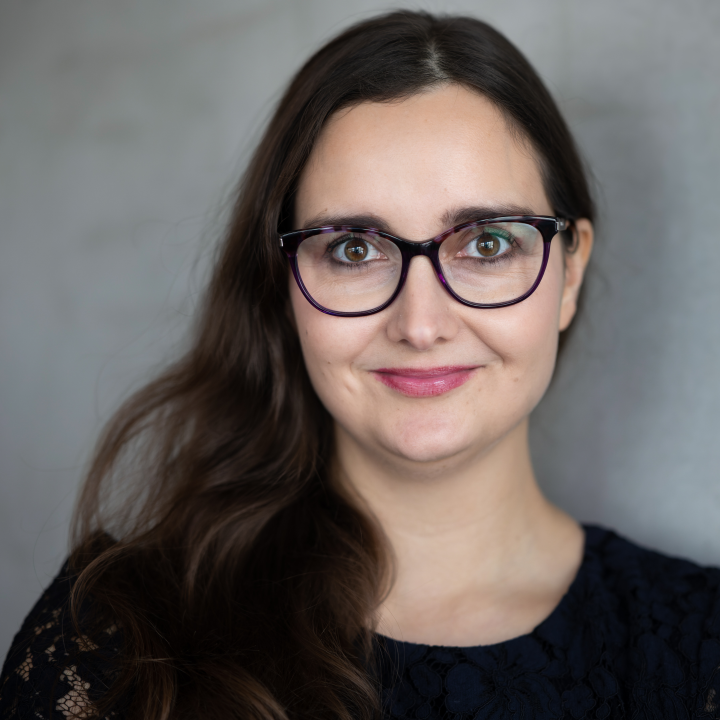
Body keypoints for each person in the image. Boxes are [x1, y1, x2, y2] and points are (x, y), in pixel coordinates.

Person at [1, 9, 719, 720]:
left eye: (488, 244)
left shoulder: (703, 646)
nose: (421, 325)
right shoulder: (116, 640)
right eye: (353, 250)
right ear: (283, 284)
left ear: (569, 273)